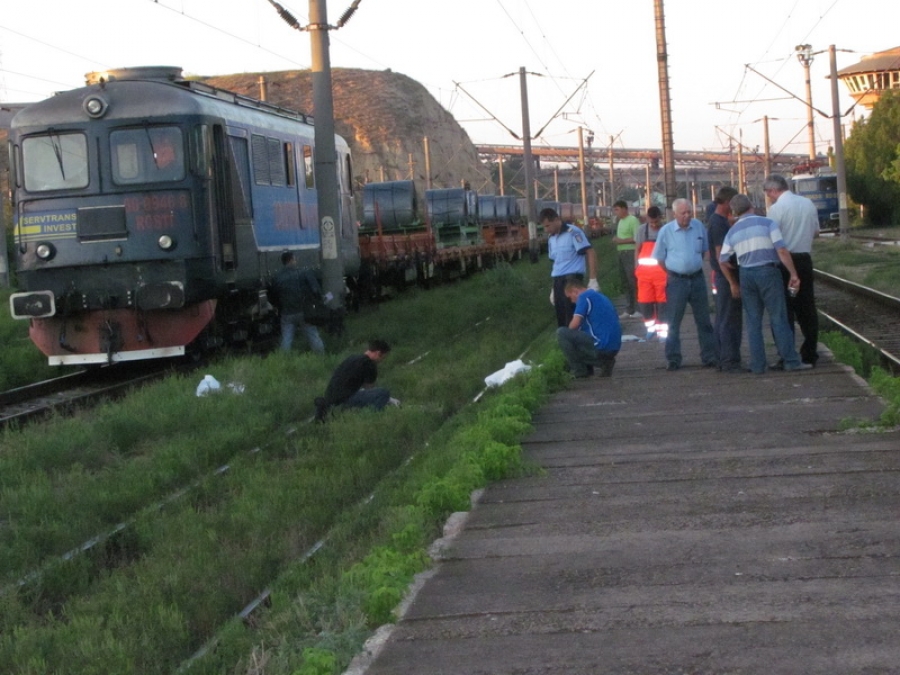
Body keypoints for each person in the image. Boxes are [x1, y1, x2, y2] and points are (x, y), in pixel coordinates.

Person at [718, 194, 811, 374]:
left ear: (735, 212)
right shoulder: (767, 223)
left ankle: (758, 365)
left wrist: (732, 282)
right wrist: (793, 274)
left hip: (746, 275)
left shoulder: (732, 231)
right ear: (751, 205)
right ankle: (791, 361)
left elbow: (722, 260)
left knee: (753, 322)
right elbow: (782, 250)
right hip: (768, 272)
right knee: (778, 318)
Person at [651, 199, 717, 371]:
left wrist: (691, 266)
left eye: (689, 212)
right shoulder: (666, 231)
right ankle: (673, 358)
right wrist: (674, 272)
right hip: (676, 280)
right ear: (675, 214)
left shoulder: (698, 227)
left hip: (697, 279)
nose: (687, 216)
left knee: (704, 320)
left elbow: (703, 251)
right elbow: (660, 258)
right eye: (683, 213)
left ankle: (709, 356)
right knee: (672, 321)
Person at [764, 174, 820, 367]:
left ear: (773, 190)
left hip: (784, 263)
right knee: (807, 309)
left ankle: (786, 354)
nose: (769, 197)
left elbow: (772, 240)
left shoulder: (776, 209)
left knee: (784, 310)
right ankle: (810, 354)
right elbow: (816, 232)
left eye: (768, 193)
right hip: (804, 260)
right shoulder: (808, 204)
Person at [540, 207, 599, 328]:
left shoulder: (573, 232)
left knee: (573, 317)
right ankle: (566, 344)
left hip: (572, 280)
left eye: (548, 226)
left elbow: (590, 252)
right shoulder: (551, 239)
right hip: (558, 281)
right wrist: (553, 287)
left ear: (556, 220)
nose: (547, 230)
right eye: (544, 227)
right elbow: (556, 263)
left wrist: (593, 279)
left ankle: (578, 343)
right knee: (561, 318)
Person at [315, 339, 395, 422]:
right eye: (383, 358)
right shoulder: (370, 364)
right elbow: (370, 388)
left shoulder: (352, 358)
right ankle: (372, 418)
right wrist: (389, 399)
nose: (382, 361)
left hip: (331, 396)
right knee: (383, 393)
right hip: (345, 398)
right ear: (378, 353)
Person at [706, 186, 742, 372]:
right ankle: (729, 361)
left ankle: (723, 358)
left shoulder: (718, 221)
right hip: (725, 277)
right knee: (729, 319)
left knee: (723, 318)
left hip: (723, 277)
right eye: (733, 204)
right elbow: (722, 257)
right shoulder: (718, 224)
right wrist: (733, 282)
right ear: (728, 202)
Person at [556, 278, 622, 378]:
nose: (572, 301)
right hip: (614, 347)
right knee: (577, 338)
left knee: (562, 333)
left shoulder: (584, 297)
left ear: (575, 291)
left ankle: (580, 371)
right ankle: (604, 362)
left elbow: (574, 324)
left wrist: (570, 331)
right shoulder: (600, 296)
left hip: (602, 345)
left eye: (571, 298)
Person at [268, 251, 325, 354]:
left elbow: (273, 296)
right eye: (295, 259)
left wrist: (279, 307)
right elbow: (316, 290)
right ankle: (321, 357)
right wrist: (319, 301)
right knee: (313, 335)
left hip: (287, 313)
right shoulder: (303, 273)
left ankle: (284, 360)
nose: (296, 261)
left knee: (286, 338)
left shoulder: (277, 277)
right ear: (291, 260)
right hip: (304, 312)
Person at [633, 205, 668, 342]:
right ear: (647, 218)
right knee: (644, 302)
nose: (654, 224)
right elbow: (637, 249)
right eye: (651, 222)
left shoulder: (665, 230)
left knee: (663, 303)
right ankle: (650, 329)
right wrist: (636, 267)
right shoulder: (642, 230)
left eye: (656, 222)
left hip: (662, 274)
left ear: (660, 218)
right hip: (644, 275)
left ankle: (663, 332)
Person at [611, 200, 641, 319]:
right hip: (621, 253)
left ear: (624, 209)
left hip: (630, 252)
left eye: (617, 209)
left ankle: (638, 308)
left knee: (632, 281)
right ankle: (629, 308)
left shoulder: (632, 220)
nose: (616, 212)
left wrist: (620, 241)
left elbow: (637, 238)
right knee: (625, 281)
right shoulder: (620, 221)